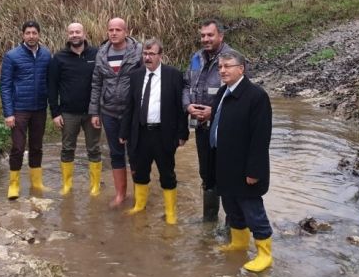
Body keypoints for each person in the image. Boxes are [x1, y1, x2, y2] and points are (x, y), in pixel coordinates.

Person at [209, 51, 273, 272]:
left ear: (241, 69)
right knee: (232, 208)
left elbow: (261, 138)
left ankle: (264, 254)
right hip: (224, 163)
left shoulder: (256, 96)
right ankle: (238, 244)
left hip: (246, 167)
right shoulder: (222, 92)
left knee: (252, 211)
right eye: (220, 67)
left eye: (228, 66)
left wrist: (254, 170)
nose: (223, 71)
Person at [183, 19, 247, 222]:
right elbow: (185, 84)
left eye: (210, 35)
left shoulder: (234, 59)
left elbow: (244, 97)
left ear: (221, 36)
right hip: (202, 129)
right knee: (207, 176)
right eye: (202, 35)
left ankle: (233, 224)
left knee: (229, 177)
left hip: (227, 132)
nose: (205, 39)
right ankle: (209, 223)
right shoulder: (196, 58)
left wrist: (217, 112)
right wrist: (187, 106)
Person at [119, 39, 188, 225]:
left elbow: (180, 107)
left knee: (167, 173)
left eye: (152, 54)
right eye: (145, 54)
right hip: (140, 133)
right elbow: (130, 106)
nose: (148, 58)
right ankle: (139, 206)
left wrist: (183, 134)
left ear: (160, 55)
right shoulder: (135, 75)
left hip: (163, 133)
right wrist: (124, 132)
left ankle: (171, 212)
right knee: (140, 172)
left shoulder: (173, 75)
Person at [89, 17, 143, 207]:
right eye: (110, 29)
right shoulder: (102, 53)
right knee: (115, 153)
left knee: (136, 153)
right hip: (109, 111)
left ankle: (140, 195)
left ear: (126, 32)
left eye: (117, 30)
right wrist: (94, 112)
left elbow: (148, 80)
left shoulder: (138, 52)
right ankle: (121, 194)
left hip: (133, 112)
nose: (113, 33)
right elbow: (96, 83)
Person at [48, 22, 102, 196]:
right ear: (67, 35)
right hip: (68, 113)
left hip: (92, 113)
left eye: (77, 32)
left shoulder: (96, 54)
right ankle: (67, 185)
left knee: (93, 148)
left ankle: (95, 186)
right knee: (67, 148)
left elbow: (104, 81)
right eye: (71, 32)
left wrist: (101, 109)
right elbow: (52, 86)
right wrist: (55, 113)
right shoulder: (59, 58)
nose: (74, 35)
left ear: (84, 34)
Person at [0, 20, 52, 199]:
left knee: (37, 147)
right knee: (17, 147)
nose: (31, 36)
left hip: (39, 108)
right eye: (28, 33)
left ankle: (36, 182)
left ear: (39, 34)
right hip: (19, 109)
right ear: (23, 35)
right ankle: (13, 184)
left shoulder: (46, 55)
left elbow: (50, 82)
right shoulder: (12, 56)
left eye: (34, 33)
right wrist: (8, 113)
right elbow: (5, 86)